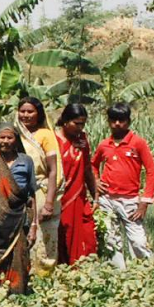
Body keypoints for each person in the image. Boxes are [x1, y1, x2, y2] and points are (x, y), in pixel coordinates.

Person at [92, 102, 154, 269]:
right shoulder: (104, 144)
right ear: (108, 121)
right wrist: (96, 181)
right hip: (107, 199)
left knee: (138, 241)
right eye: (113, 120)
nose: (117, 124)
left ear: (128, 121)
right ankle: (119, 274)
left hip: (130, 200)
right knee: (110, 239)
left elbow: (152, 172)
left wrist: (145, 202)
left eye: (121, 120)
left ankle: (148, 271)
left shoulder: (137, 143)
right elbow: (93, 165)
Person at [0, 123, 37, 295]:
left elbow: (32, 196)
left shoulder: (26, 161)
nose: (5, 141)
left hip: (20, 218)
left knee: (20, 256)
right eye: (2, 137)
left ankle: (17, 294)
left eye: (9, 137)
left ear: (16, 139)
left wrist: (34, 227)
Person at [16, 97, 61, 276]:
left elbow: (52, 170)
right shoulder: (14, 134)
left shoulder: (45, 135)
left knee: (44, 236)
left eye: (30, 111)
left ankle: (44, 275)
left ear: (38, 114)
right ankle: (23, 273)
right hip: (19, 191)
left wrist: (49, 202)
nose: (25, 115)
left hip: (41, 191)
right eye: (22, 111)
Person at [55, 103, 99, 266]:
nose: (80, 128)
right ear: (65, 121)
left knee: (86, 236)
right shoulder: (54, 140)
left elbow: (87, 167)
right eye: (77, 123)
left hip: (78, 197)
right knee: (62, 236)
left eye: (83, 124)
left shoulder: (82, 140)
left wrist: (95, 193)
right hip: (60, 197)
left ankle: (82, 271)